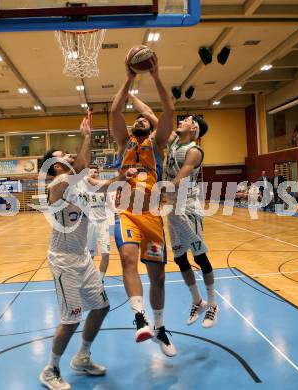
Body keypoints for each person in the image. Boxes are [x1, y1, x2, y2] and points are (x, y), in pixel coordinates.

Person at [40, 118, 136, 390]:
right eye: (64, 155)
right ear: (56, 166)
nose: (70, 156)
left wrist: (121, 176)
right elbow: (80, 166)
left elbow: (103, 186)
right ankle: (51, 369)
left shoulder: (81, 182)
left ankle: (82, 357)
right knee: (71, 319)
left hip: (81, 256)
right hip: (62, 260)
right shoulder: (58, 184)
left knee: (101, 307)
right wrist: (86, 136)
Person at [129, 94, 219, 327]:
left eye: (186, 119)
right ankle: (197, 301)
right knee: (180, 259)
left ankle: (212, 304)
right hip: (171, 207)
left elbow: (181, 176)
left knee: (199, 255)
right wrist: (130, 93)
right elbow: (148, 111)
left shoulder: (194, 150)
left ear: (194, 128)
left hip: (187, 207)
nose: (181, 121)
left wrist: (161, 188)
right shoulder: (173, 141)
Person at [111, 52, 177, 357]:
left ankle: (160, 327)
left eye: (143, 120)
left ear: (150, 128)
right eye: (135, 119)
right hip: (126, 210)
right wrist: (129, 77)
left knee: (158, 277)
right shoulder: (124, 142)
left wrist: (156, 75)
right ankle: (140, 318)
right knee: (127, 259)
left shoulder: (158, 143)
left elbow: (168, 109)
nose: (138, 120)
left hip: (152, 214)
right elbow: (114, 109)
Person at [87, 166, 111, 281]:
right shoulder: (84, 189)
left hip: (103, 223)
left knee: (106, 254)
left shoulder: (104, 189)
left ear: (98, 174)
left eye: (96, 171)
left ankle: (100, 280)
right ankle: (90, 279)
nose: (93, 173)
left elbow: (112, 206)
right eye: (91, 171)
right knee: (90, 256)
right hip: (90, 224)